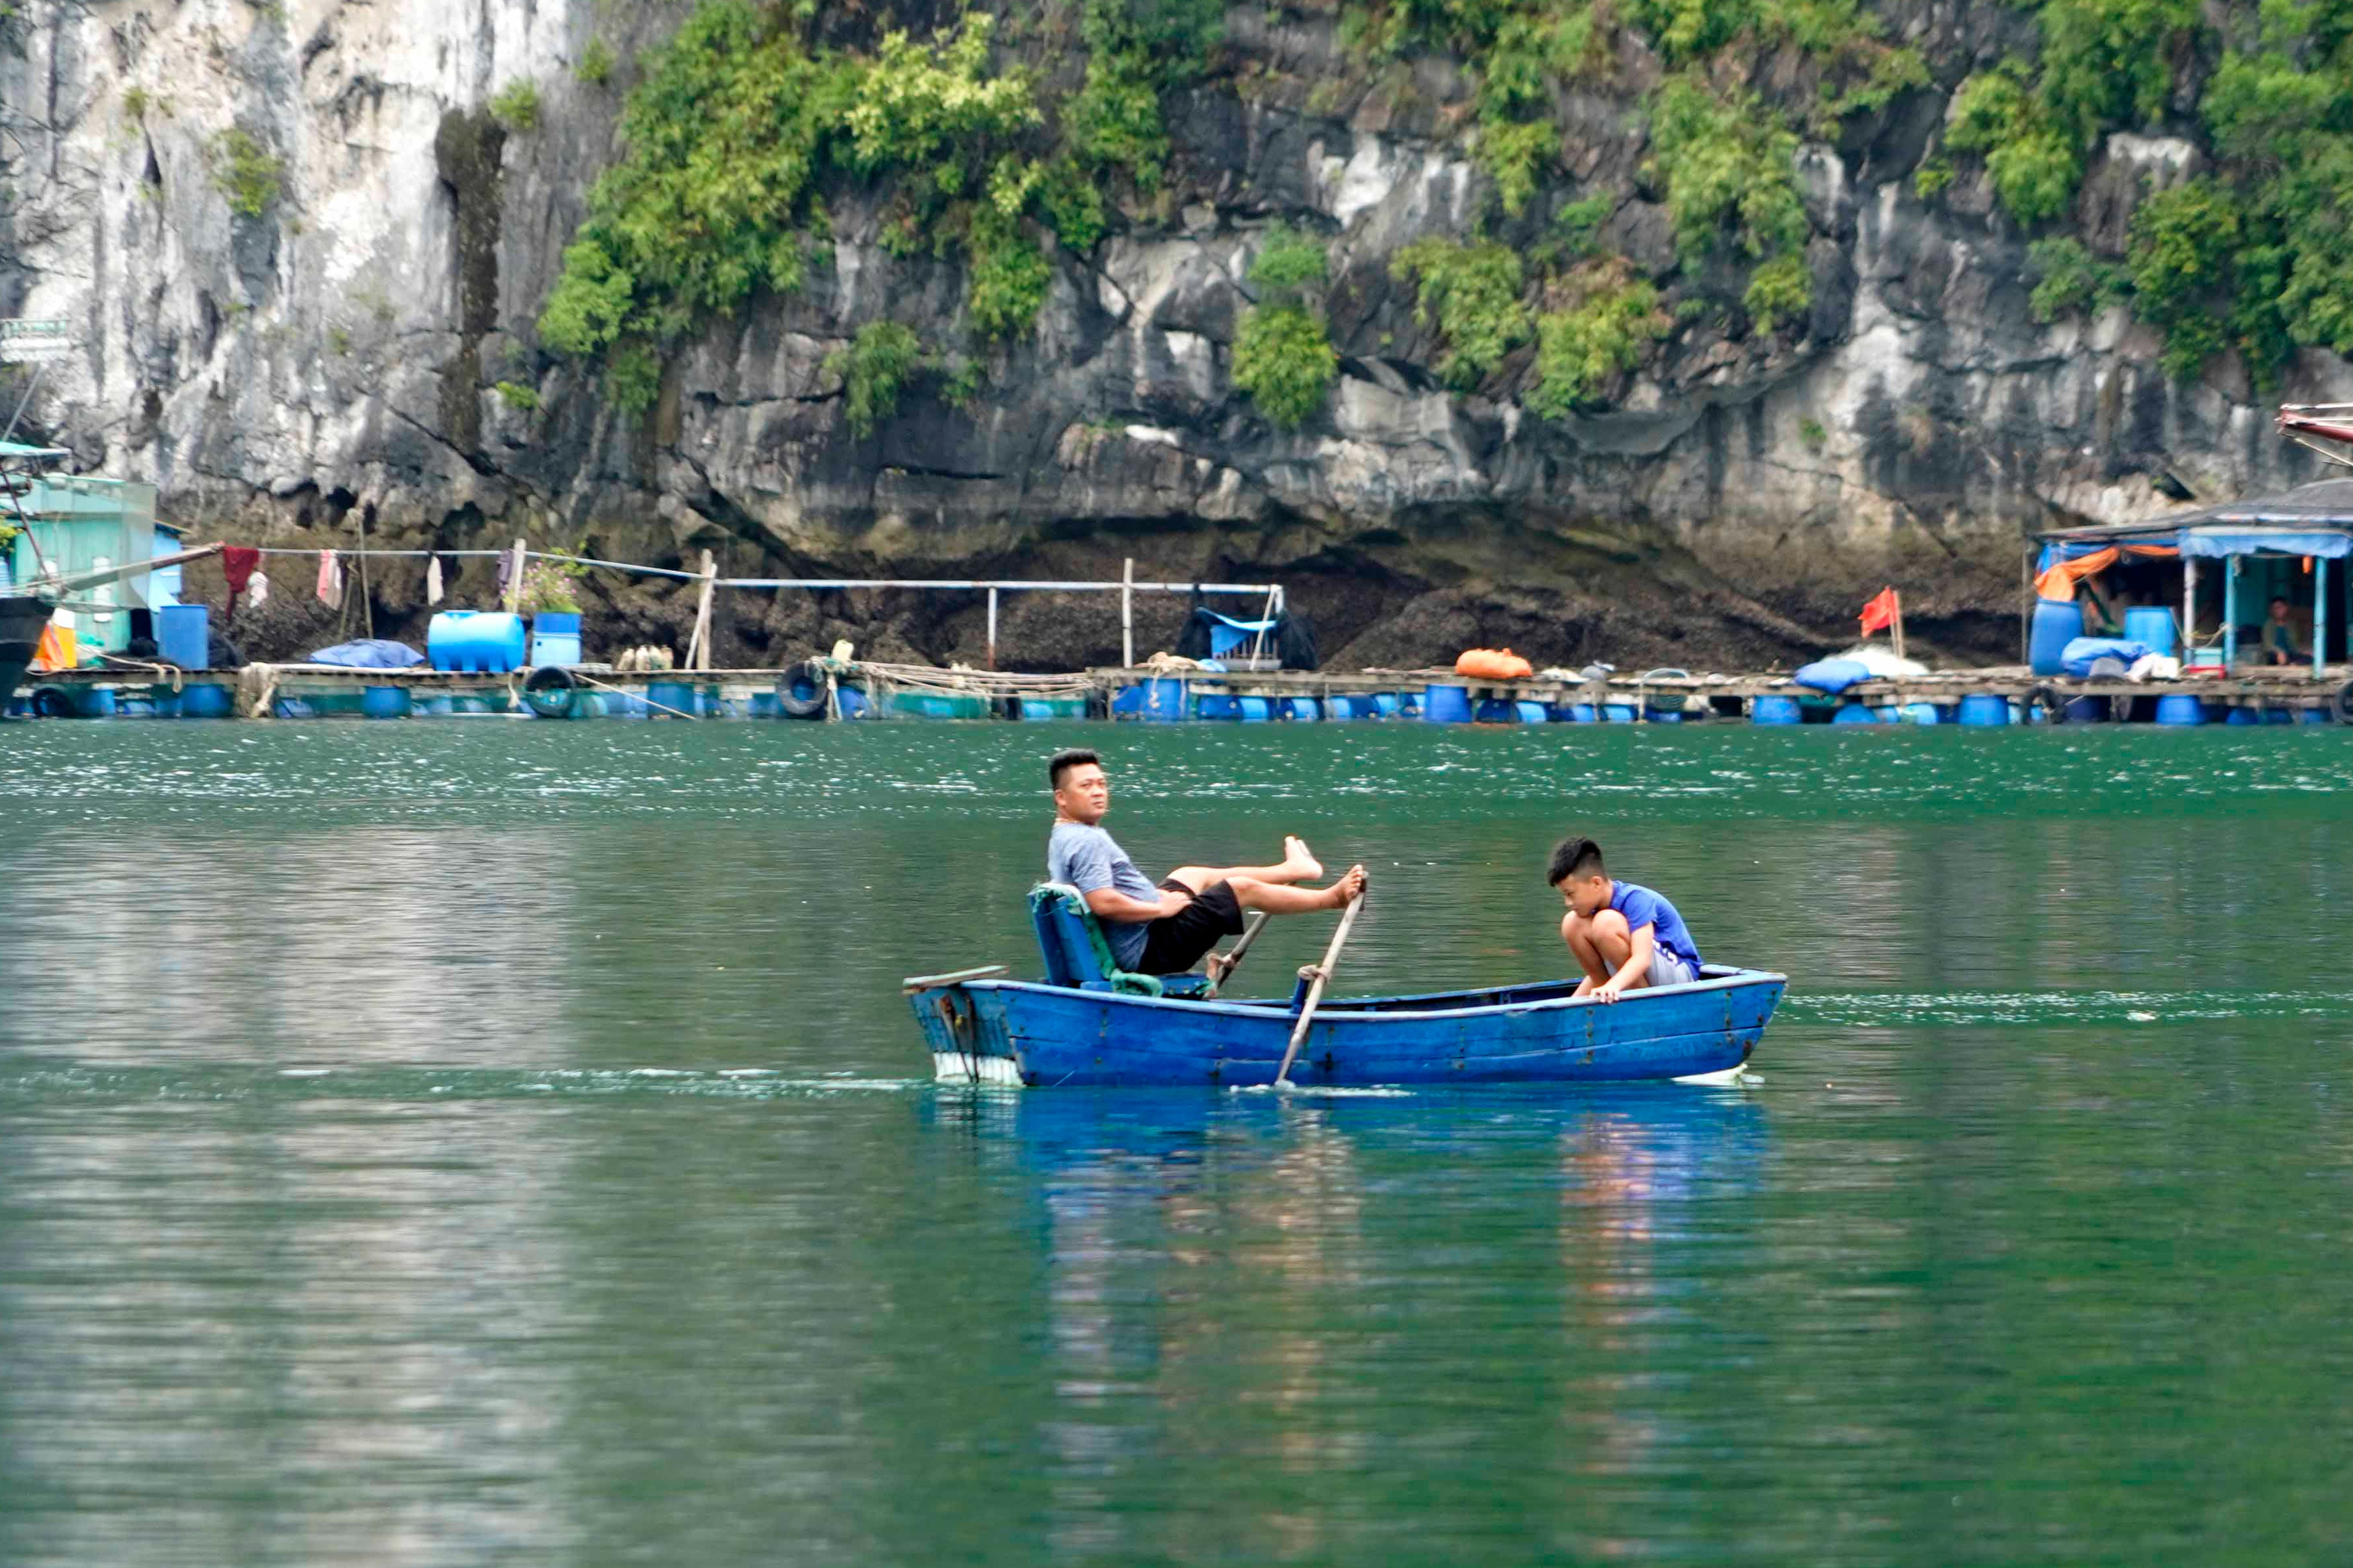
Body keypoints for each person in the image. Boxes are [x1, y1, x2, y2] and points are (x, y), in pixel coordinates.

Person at [1045, 748, 1366, 976]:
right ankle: (1332, 898)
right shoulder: (1086, 841)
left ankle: (1292, 870)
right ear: (1062, 797)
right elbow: (1103, 902)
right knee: (1238, 889)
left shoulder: (1066, 833)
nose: (1098, 792)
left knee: (1189, 874)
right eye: (1086, 786)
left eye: (1101, 784)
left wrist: (1156, 901)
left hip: (1140, 933)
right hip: (1148, 951)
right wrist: (1161, 908)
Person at [1547, 835, 1703, 1003]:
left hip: (1680, 976)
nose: (1568, 902)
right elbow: (1601, 969)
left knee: (1605, 922)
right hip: (1641, 975)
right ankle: (1603, 998)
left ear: (1596, 883)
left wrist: (1614, 985)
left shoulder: (1636, 899)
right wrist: (1570, 1005)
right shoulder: (1594, 910)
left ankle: (1643, 1004)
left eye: (1571, 894)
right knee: (1572, 923)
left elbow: (1642, 958)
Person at [2263, 596, 2304, 666]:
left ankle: (2292, 663)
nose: (2276, 611)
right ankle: (2291, 664)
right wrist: (2279, 652)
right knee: (2274, 656)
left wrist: (2303, 651)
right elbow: (2268, 645)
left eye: (2279, 608)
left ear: (2286, 608)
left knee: (2310, 658)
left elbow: (2296, 644)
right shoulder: (2268, 625)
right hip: (2274, 654)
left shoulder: (2292, 624)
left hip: (2290, 654)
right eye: (2274, 608)